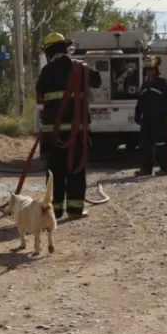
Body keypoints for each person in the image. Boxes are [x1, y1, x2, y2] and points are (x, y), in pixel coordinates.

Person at [36, 32, 102, 220]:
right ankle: (75, 210)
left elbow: (39, 91)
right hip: (76, 134)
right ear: (65, 48)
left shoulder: (46, 72)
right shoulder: (79, 69)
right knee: (75, 171)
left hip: (52, 135)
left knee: (54, 173)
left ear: (48, 51)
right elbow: (97, 82)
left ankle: (54, 211)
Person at [134, 56, 167, 176]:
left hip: (160, 118)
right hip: (146, 119)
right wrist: (137, 115)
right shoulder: (145, 85)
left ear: (156, 70)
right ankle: (146, 169)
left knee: (161, 143)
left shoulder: (163, 84)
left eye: (151, 69)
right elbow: (140, 102)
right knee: (145, 144)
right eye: (147, 70)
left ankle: (166, 168)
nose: (149, 72)